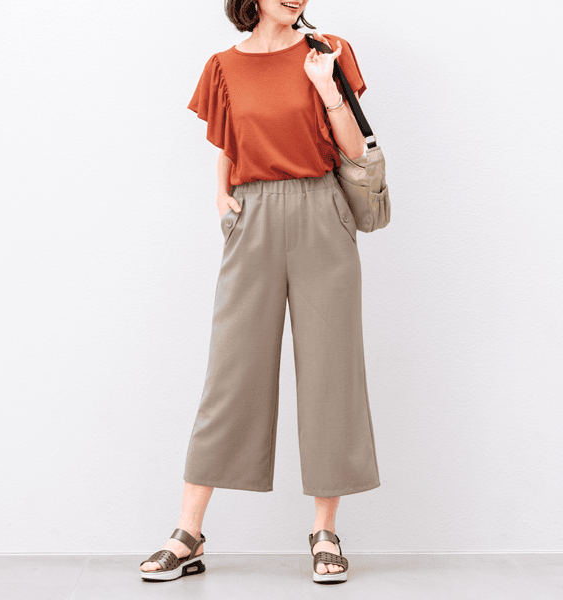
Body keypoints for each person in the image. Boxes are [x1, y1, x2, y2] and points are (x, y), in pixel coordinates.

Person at [140, 0, 380, 585]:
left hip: (321, 210)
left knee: (330, 373)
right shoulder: (223, 66)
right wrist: (221, 195)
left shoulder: (329, 51)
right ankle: (188, 532)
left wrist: (325, 87)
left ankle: (325, 532)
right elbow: (228, 141)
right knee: (231, 371)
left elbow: (354, 149)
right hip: (253, 216)